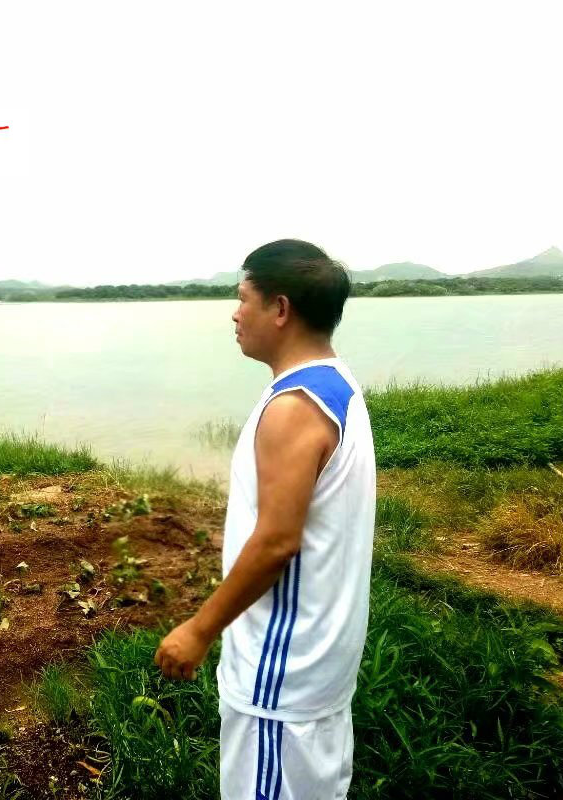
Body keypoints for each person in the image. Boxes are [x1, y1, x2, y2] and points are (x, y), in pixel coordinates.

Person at [154, 239, 376, 799]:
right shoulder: (335, 383)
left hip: (283, 675)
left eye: (243, 298)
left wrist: (198, 630)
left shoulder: (293, 408)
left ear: (280, 309)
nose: (235, 314)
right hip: (319, 661)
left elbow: (277, 542)